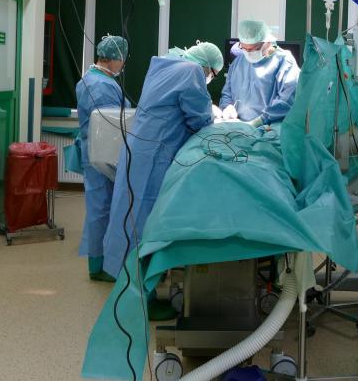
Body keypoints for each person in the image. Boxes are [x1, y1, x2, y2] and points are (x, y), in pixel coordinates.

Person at [101, 41, 224, 320]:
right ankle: (141, 299)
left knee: (128, 216)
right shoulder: (192, 71)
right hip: (155, 156)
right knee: (146, 225)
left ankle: (129, 286)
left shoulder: (165, 63)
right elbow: (198, 117)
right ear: (207, 67)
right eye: (212, 75)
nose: (208, 79)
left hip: (137, 150)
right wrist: (216, 116)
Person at [75, 36, 130, 282]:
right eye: (122, 60)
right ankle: (101, 267)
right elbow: (109, 126)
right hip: (103, 154)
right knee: (102, 208)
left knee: (99, 206)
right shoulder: (103, 85)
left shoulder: (91, 77)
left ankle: (99, 262)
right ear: (115, 58)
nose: (123, 65)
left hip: (95, 151)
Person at [219, 19, 300, 127]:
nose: (248, 53)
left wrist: (260, 121)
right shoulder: (238, 62)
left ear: (267, 43)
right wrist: (227, 106)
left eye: (253, 49)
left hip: (270, 126)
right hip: (238, 124)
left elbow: (287, 100)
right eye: (244, 48)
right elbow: (227, 92)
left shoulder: (284, 62)